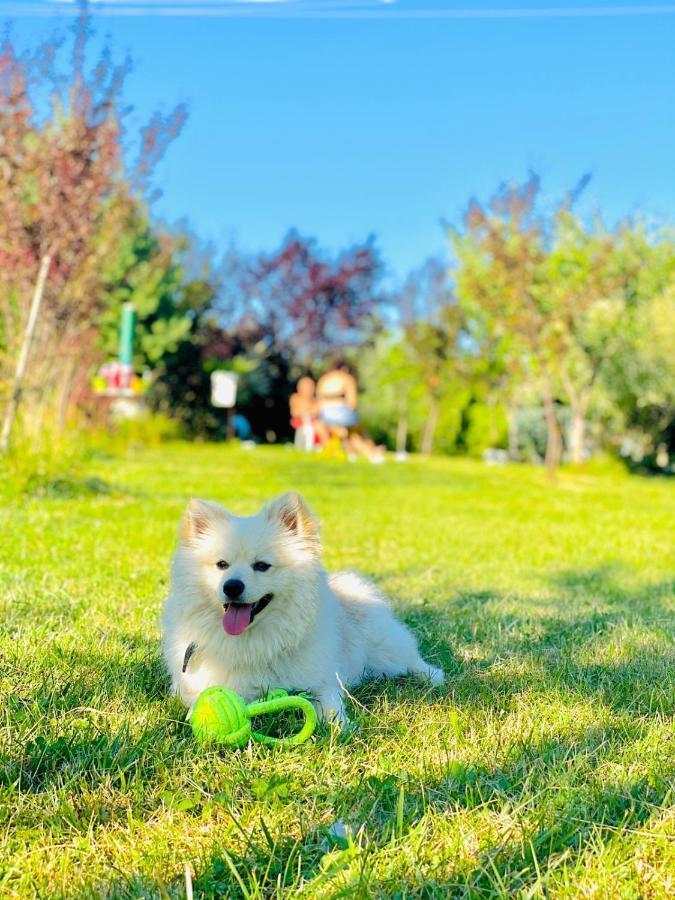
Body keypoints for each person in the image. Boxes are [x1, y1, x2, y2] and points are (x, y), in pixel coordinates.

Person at [289, 376, 317, 451]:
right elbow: (294, 412)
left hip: (313, 422)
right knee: (309, 427)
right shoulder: (295, 398)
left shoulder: (314, 400)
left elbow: (317, 412)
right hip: (300, 421)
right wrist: (306, 413)